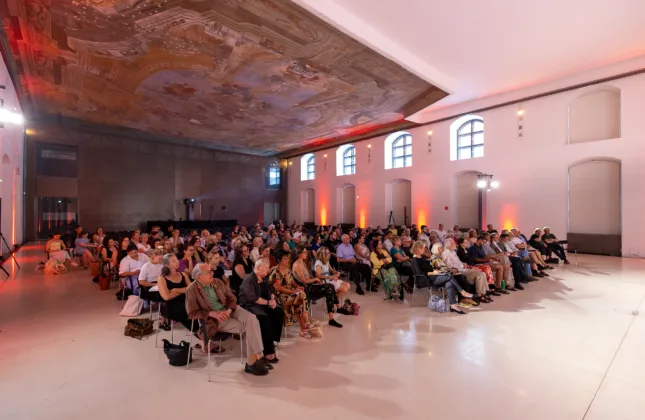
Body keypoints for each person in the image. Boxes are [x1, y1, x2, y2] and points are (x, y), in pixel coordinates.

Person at [186, 263, 270, 375]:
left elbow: (232, 298)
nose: (212, 273)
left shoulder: (217, 282)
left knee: (252, 319)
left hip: (230, 310)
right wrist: (212, 313)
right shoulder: (192, 290)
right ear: (198, 277)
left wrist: (229, 310)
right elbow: (192, 313)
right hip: (214, 319)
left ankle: (259, 356)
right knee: (247, 327)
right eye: (208, 272)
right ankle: (251, 363)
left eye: (211, 270)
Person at [238, 259, 283, 366]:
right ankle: (268, 351)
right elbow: (253, 298)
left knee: (278, 312)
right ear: (258, 268)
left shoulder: (263, 278)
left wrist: (272, 297)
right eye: (266, 268)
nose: (268, 270)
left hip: (263, 303)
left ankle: (272, 341)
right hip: (249, 305)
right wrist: (268, 302)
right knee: (264, 318)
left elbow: (270, 289)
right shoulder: (249, 280)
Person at [410, 241, 473, 314]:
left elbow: (429, 268)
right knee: (449, 276)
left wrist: (435, 270)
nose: (424, 250)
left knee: (449, 283)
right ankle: (462, 292)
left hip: (431, 277)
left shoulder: (421, 257)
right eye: (423, 248)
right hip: (423, 279)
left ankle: (453, 306)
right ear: (418, 249)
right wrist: (433, 272)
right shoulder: (415, 260)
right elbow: (419, 273)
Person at [292, 247, 346, 327]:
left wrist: (315, 279)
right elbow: (304, 281)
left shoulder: (302, 262)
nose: (306, 253)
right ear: (299, 254)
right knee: (330, 287)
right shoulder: (297, 264)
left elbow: (309, 278)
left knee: (330, 288)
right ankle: (335, 313)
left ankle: (333, 316)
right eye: (304, 252)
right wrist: (316, 279)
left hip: (310, 285)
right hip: (305, 289)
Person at [269, 251, 315, 340]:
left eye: (287, 258)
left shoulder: (287, 270)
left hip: (291, 294)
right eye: (285, 259)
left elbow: (292, 282)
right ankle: (306, 324)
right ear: (279, 260)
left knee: (300, 301)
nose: (287, 260)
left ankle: (304, 329)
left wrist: (298, 287)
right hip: (281, 296)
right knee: (301, 297)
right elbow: (279, 288)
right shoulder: (276, 272)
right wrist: (293, 291)